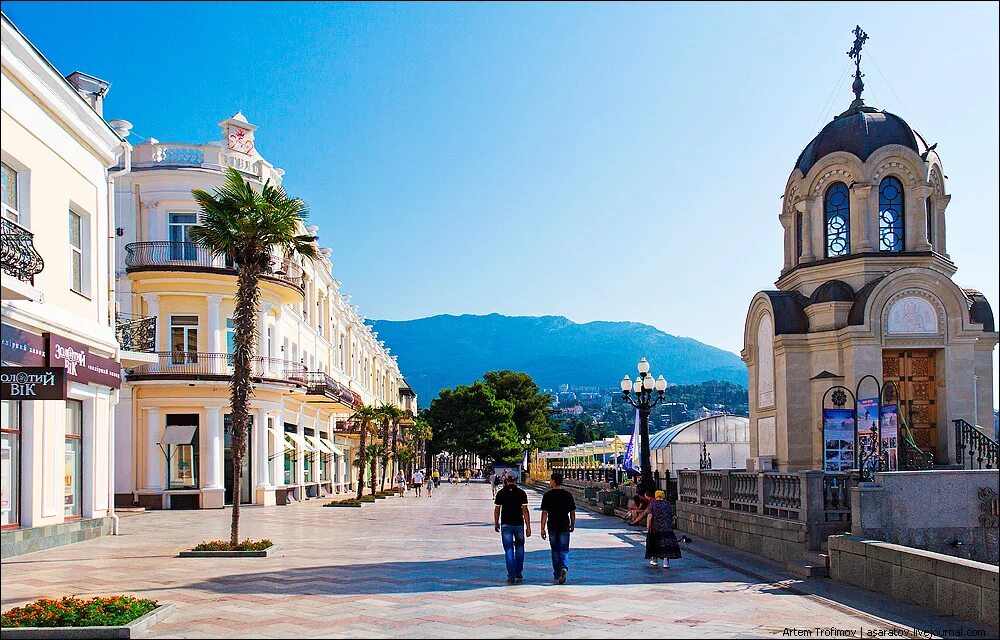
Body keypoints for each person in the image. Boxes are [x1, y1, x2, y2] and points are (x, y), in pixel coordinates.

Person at [494, 474, 531, 584]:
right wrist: (528, 526)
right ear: (516, 479)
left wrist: (496, 523)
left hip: (506, 524)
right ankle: (518, 573)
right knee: (520, 548)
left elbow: (497, 510)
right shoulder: (521, 493)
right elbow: (525, 510)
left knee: (508, 549)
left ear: (506, 479)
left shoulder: (501, 493)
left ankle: (511, 575)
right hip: (519, 524)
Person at [540, 472, 576, 585]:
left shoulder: (547, 495)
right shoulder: (567, 495)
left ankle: (556, 572)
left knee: (555, 550)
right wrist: (572, 524)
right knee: (564, 549)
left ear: (554, 481)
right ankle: (564, 568)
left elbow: (545, 513)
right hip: (564, 525)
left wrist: (542, 528)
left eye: (550, 480)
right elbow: (572, 512)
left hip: (552, 526)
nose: (550, 482)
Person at [645, 490, 682, 568]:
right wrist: (671, 524)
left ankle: (654, 560)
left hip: (655, 528)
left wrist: (648, 526)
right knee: (666, 545)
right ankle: (666, 562)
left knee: (654, 544)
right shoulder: (668, 504)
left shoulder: (653, 504)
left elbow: (650, 516)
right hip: (667, 528)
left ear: (656, 496)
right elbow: (673, 516)